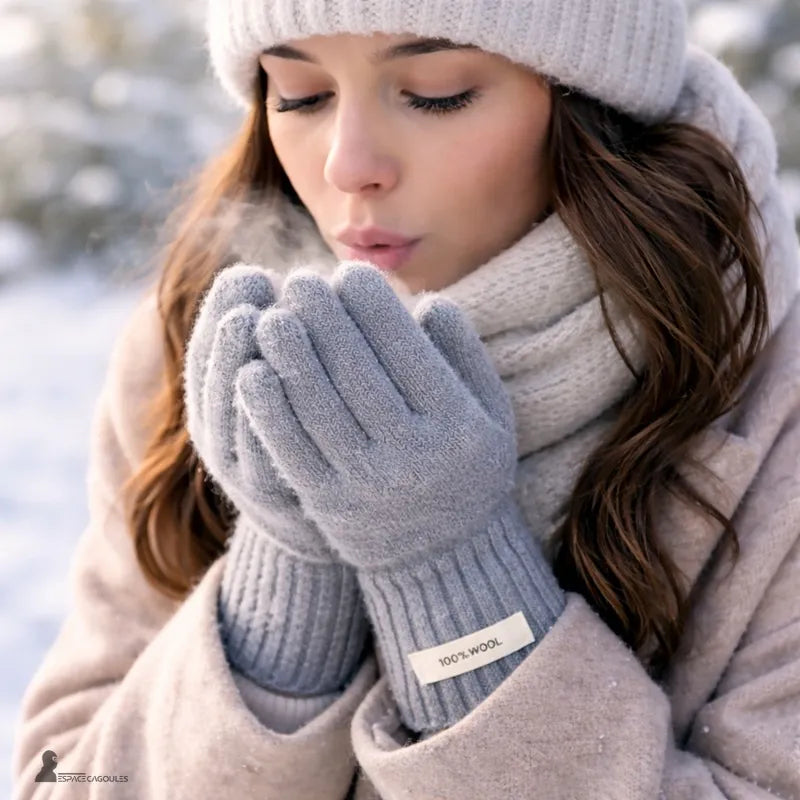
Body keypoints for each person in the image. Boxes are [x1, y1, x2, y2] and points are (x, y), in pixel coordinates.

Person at [12, 0, 800, 797]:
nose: (347, 165)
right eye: (300, 95)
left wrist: (450, 573)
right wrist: (284, 589)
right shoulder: (200, 347)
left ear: (592, 107)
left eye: (436, 92)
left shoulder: (775, 402)